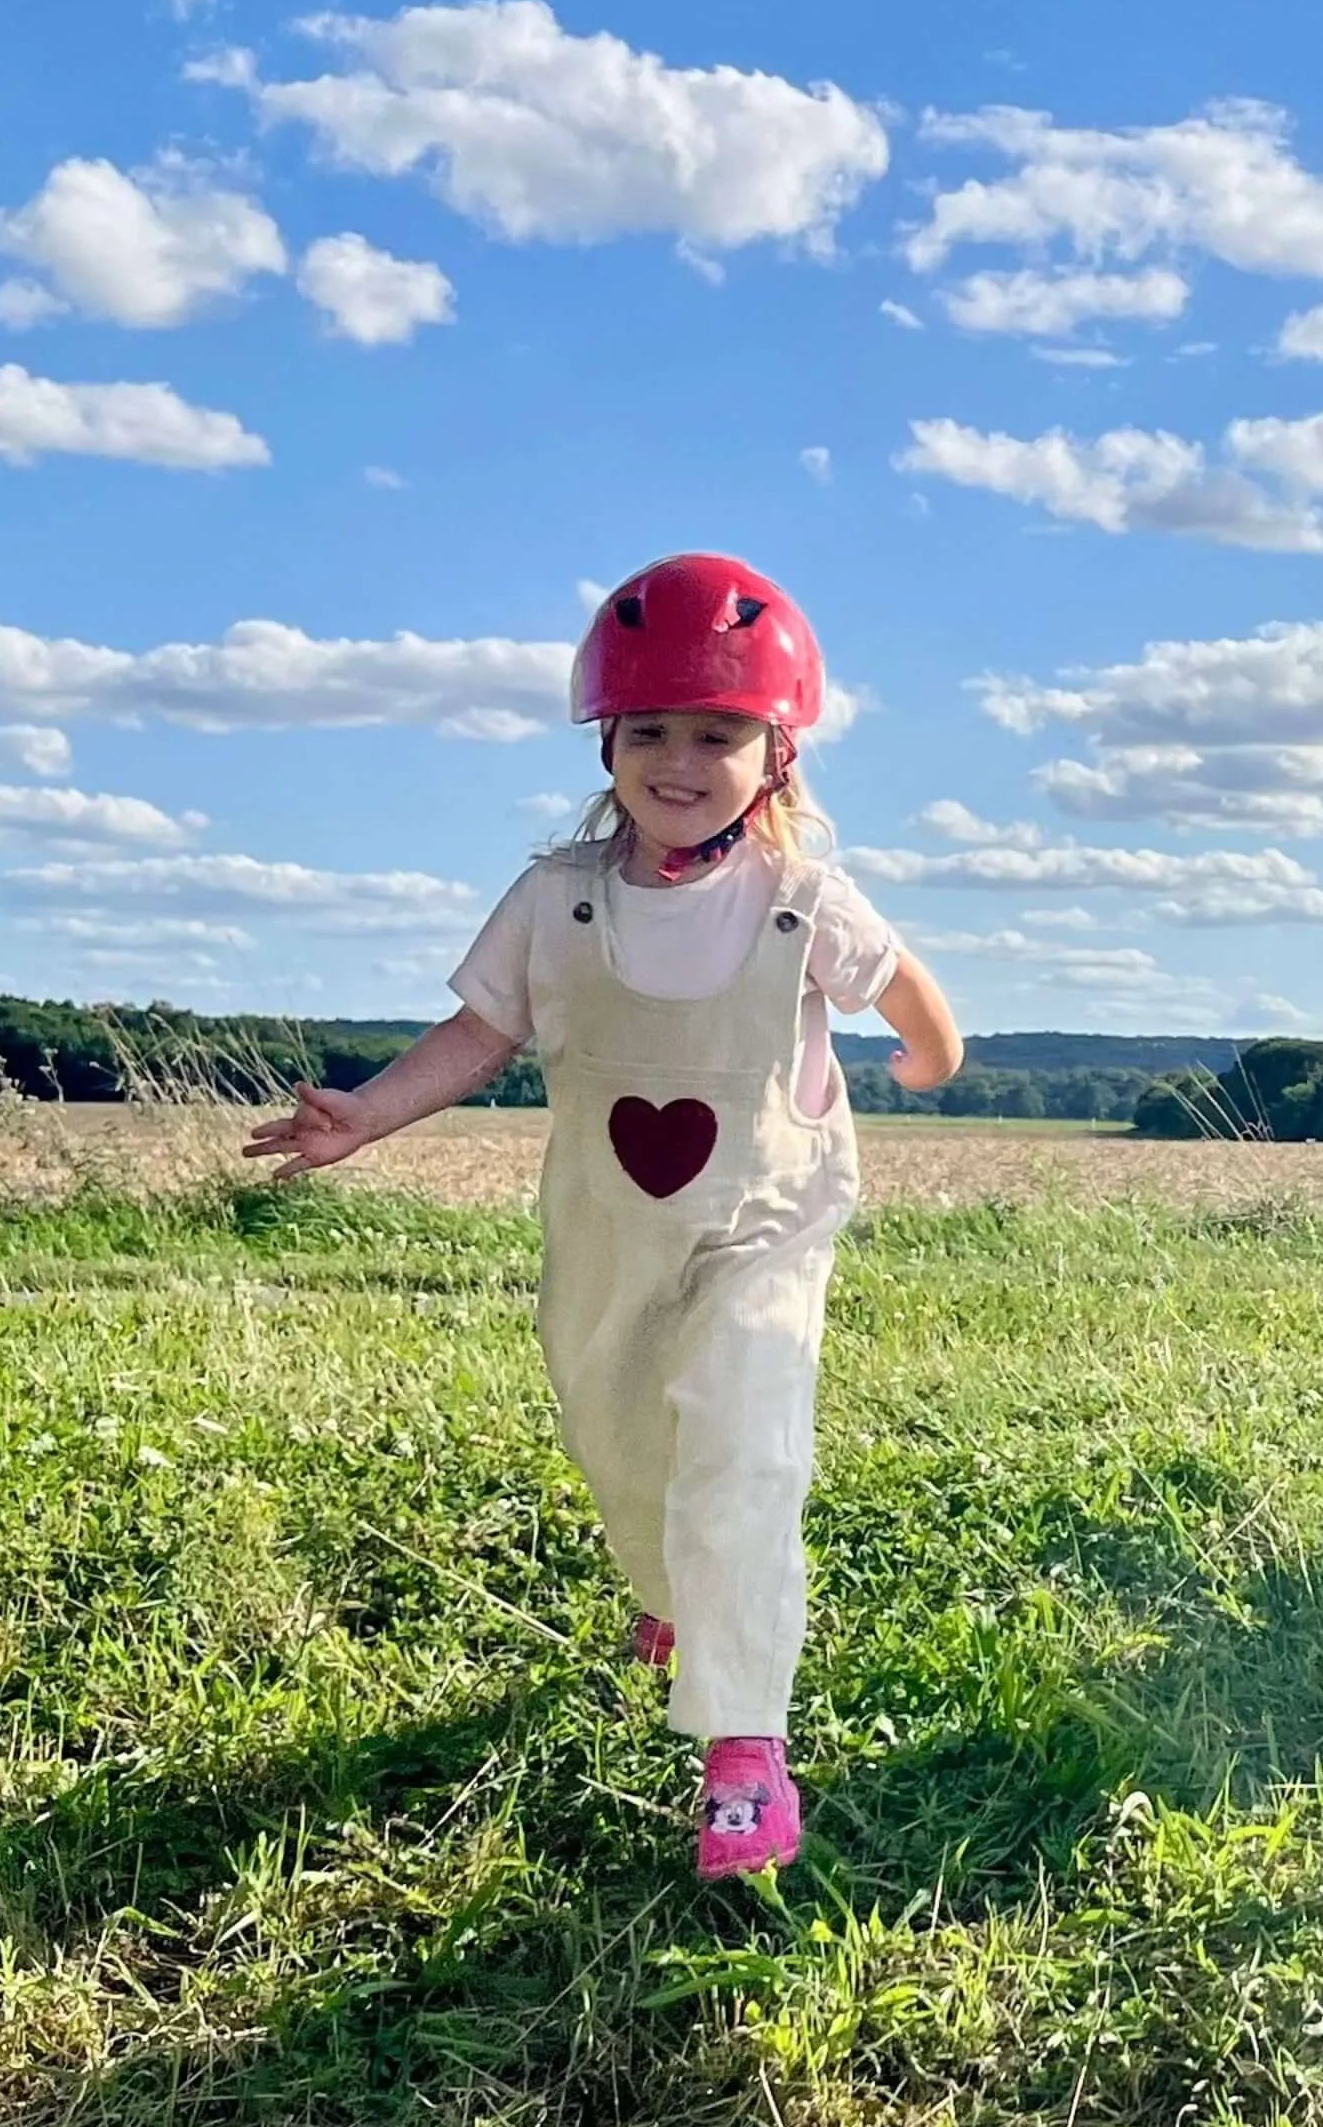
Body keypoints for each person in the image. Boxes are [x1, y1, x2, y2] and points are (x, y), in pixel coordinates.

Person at [245, 552, 963, 1877]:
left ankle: (745, 1750)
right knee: (622, 1438)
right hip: (609, 1232)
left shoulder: (804, 900)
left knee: (745, 1455)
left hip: (766, 1224)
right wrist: (369, 1111)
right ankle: (667, 1598)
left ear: (778, 756)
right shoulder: (557, 899)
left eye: (718, 734)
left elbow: (909, 993)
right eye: (651, 732)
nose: (680, 761)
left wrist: (927, 1057)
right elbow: (481, 1031)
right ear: (608, 741)